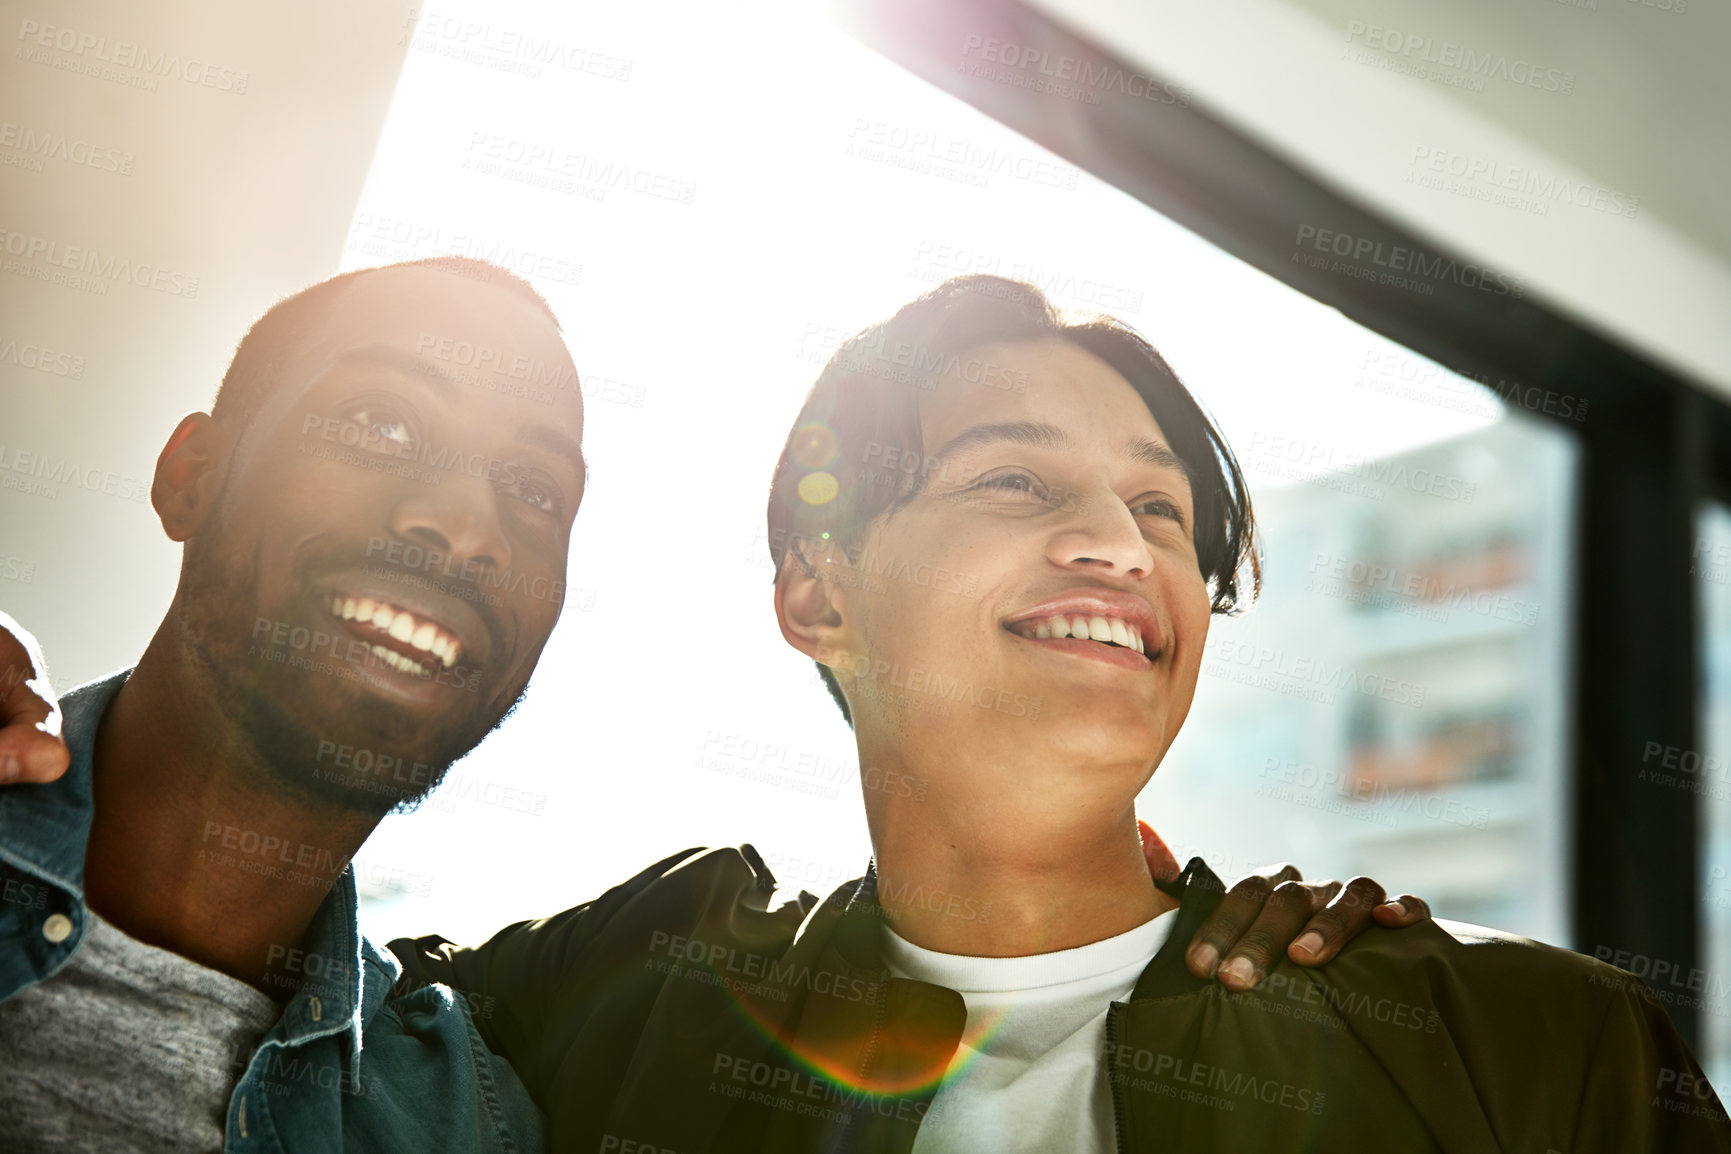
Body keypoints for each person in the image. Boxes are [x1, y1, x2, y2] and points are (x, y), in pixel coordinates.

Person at [0, 261, 1416, 1151]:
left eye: (537, 493)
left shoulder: (463, 1104)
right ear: (192, 471)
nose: (461, 521)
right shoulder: (597, 1019)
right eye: (380, 422)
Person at [374, 275, 1730, 1152]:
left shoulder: (1537, 1054)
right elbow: (287, 985)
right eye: (1016, 483)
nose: (1120, 547)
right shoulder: (643, 993)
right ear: (816, 590)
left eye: (1160, 511)